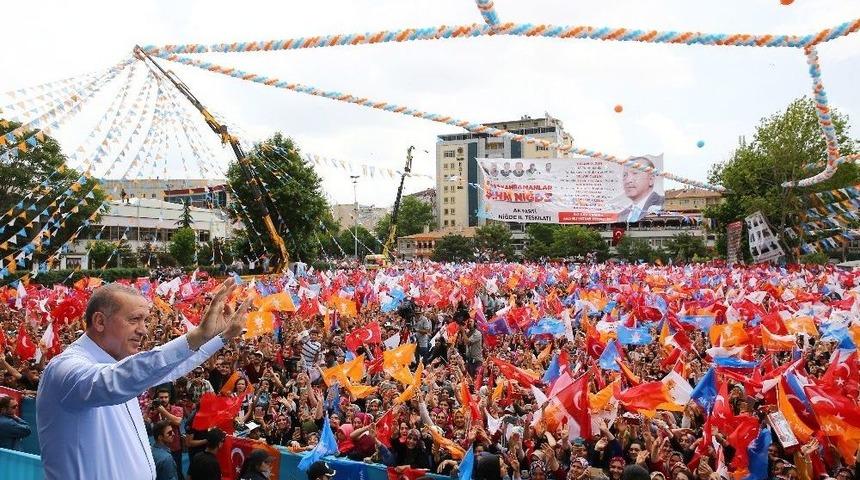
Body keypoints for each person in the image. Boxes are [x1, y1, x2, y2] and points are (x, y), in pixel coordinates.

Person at [36, 279, 250, 480]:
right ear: (100, 321)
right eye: (134, 320)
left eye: (145, 320)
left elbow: (172, 367)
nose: (144, 330)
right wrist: (197, 335)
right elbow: (112, 382)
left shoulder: (121, 367)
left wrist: (222, 337)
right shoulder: (64, 369)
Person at [149, 387, 186, 475]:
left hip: (175, 446)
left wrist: (162, 410)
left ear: (169, 398)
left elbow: (177, 422)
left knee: (177, 471)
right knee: (163, 472)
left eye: (166, 397)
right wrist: (148, 409)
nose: (164, 399)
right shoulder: (155, 410)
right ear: (157, 399)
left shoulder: (177, 409)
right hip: (160, 448)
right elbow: (146, 422)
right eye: (161, 398)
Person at [616, 157, 663, 222]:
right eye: (625, 175)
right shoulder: (622, 214)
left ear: (651, 179)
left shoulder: (662, 204)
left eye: (635, 173)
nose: (628, 180)